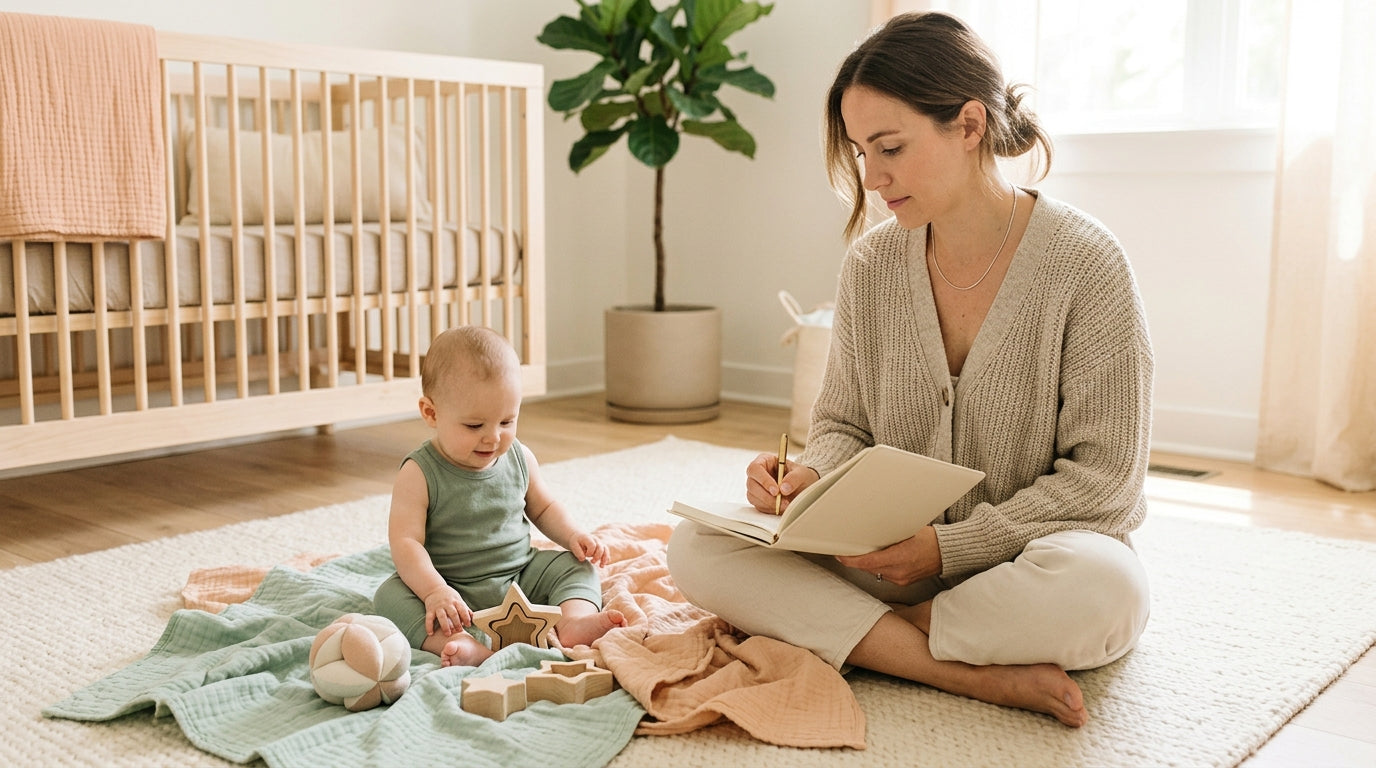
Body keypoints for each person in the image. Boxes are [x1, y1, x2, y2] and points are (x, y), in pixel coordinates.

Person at [667, 11, 1152, 728]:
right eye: (861, 151)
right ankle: (961, 671)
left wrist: (949, 547)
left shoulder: (1087, 264)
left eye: (889, 147)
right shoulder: (872, 263)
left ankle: (866, 637)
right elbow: (842, 424)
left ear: (969, 125)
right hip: (877, 560)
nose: (871, 177)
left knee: (1105, 591)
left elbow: (1106, 483)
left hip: (1022, 563)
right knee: (696, 546)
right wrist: (808, 476)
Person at [374, 326, 625, 667]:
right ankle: (459, 642)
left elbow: (545, 506)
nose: (492, 438)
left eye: (507, 421)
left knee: (574, 566)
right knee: (390, 597)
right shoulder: (418, 473)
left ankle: (572, 622)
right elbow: (406, 543)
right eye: (474, 426)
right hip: (449, 584)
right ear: (431, 413)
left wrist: (573, 535)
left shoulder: (519, 457)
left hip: (519, 574)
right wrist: (434, 591)